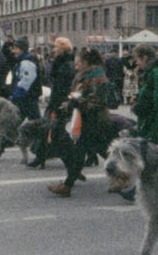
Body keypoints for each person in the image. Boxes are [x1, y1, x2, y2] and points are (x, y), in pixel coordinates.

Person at [48, 48, 114, 198]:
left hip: (93, 119)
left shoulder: (96, 77)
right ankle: (125, 181)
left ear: (86, 63)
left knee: (97, 152)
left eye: (78, 63)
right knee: (93, 151)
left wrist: (73, 104)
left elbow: (97, 101)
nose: (76, 66)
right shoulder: (88, 75)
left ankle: (67, 185)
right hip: (87, 118)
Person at [29, 37, 76, 168]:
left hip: (61, 101)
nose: (53, 50)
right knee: (49, 129)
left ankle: (42, 157)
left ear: (63, 49)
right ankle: (41, 156)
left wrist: (62, 101)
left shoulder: (67, 64)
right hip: (56, 100)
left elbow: (65, 85)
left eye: (56, 47)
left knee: (54, 131)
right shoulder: (60, 62)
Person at [9, 37, 42, 121]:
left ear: (22, 49)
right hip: (27, 98)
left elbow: (26, 81)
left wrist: (15, 95)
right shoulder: (22, 61)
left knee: (32, 122)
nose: (13, 51)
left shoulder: (27, 62)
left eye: (15, 49)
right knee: (34, 121)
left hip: (26, 98)